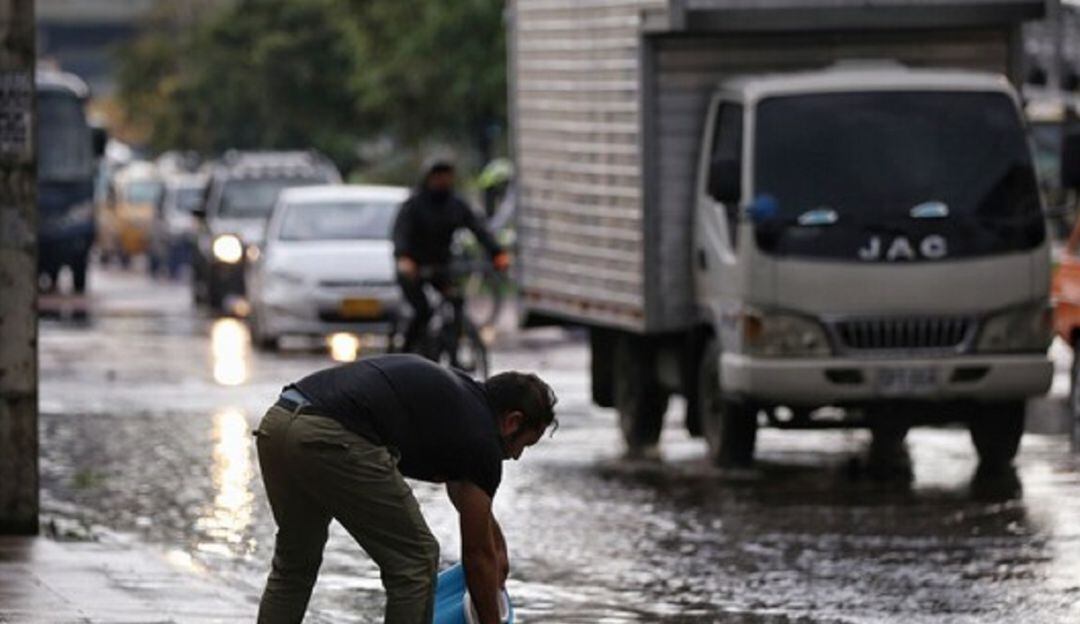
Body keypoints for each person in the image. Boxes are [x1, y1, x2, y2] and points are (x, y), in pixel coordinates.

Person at [254, 354, 558, 624]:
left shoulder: (460, 402)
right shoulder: (483, 442)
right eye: (523, 444)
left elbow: (466, 496)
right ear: (511, 421)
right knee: (416, 560)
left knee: (295, 562)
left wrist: (498, 547)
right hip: (330, 437)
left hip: (279, 424)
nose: (516, 455)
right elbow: (477, 556)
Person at [393, 159, 511, 353]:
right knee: (422, 311)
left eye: (446, 176)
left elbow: (478, 229)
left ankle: (453, 348)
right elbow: (400, 235)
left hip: (442, 266)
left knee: (456, 301)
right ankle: (405, 353)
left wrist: (497, 253)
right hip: (414, 268)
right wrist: (404, 259)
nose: (442, 181)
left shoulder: (456, 205)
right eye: (438, 176)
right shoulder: (414, 205)